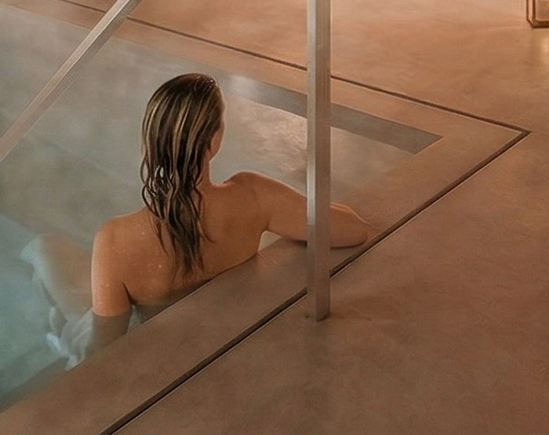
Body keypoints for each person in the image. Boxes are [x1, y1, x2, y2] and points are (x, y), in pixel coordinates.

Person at [89, 73, 370, 341]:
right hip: (219, 333)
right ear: (213, 140)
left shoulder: (114, 239)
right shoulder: (253, 197)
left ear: (150, 141)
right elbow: (353, 230)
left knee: (46, 250)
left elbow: (103, 346)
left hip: (162, 350)